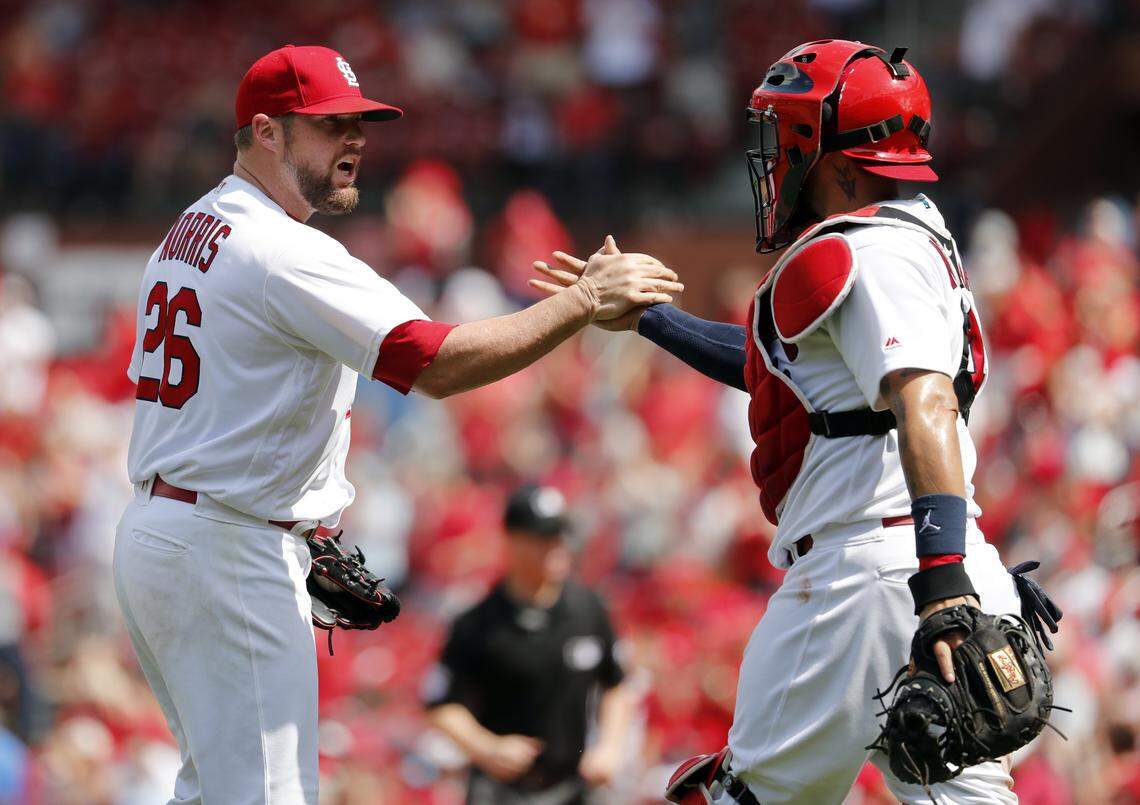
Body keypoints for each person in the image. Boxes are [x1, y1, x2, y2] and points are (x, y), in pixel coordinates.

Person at [112, 44, 680, 805]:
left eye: (359, 124)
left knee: (212, 787)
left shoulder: (194, 225)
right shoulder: (283, 248)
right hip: (225, 545)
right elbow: (432, 363)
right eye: (328, 124)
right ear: (266, 132)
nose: (354, 139)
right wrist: (580, 303)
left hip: (173, 529)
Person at [533, 39, 1033, 803]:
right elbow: (785, 375)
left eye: (789, 137)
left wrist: (942, 586)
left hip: (869, 578)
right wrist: (652, 321)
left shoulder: (862, 251)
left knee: (740, 795)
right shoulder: (911, 238)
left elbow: (924, 400)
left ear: (836, 160)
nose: (774, 158)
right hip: (920, 561)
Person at [425, 484, 632, 805]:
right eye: (543, 537)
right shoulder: (477, 622)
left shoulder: (588, 609)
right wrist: (487, 747)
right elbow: (441, 703)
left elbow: (615, 684)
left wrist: (609, 747)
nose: (557, 546)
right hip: (500, 790)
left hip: (575, 786)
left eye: (560, 536)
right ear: (511, 541)